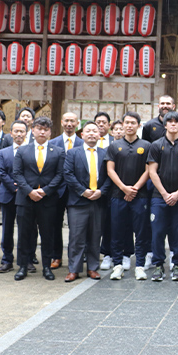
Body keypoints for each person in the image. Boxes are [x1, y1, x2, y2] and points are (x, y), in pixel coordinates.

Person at [12, 117, 65, 281]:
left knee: (47, 234)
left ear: (50, 132)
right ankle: (22, 266)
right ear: (32, 130)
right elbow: (17, 174)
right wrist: (29, 191)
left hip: (48, 200)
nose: (42, 132)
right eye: (39, 129)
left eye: (46, 129)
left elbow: (60, 175)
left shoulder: (58, 151)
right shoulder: (22, 150)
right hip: (25, 199)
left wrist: (45, 191)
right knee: (24, 234)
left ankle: (47, 267)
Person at [147, 111, 178, 282]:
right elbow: (152, 171)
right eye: (170, 122)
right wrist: (165, 193)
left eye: (176, 122)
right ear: (165, 125)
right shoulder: (156, 145)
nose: (173, 125)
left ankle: (177, 265)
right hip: (159, 198)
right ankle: (158, 265)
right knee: (158, 232)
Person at [106, 112, 152, 281]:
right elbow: (110, 169)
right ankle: (117, 265)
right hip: (118, 195)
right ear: (122, 125)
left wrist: (135, 188)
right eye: (127, 122)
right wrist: (124, 188)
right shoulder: (114, 145)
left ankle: (139, 265)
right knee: (117, 231)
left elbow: (149, 170)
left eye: (133, 123)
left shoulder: (147, 146)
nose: (130, 125)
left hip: (140, 196)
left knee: (141, 233)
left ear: (139, 125)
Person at [63, 121, 111, 282]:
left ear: (100, 135)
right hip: (78, 202)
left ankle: (92, 267)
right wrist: (82, 191)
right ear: (82, 135)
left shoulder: (106, 154)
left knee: (95, 236)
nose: (91, 133)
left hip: (98, 201)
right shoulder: (73, 153)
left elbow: (110, 176)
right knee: (76, 237)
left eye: (94, 131)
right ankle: (74, 269)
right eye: (88, 131)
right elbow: (68, 174)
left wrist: (101, 191)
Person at [49, 112, 83, 270]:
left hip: (77, 190)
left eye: (72, 121)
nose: (69, 123)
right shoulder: (53, 143)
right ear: (62, 122)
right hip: (56, 191)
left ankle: (75, 256)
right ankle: (56, 256)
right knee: (55, 225)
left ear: (78, 123)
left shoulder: (83, 143)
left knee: (76, 226)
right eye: (67, 121)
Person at [0, 121, 28, 274]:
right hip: (8, 195)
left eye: (22, 131)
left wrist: (23, 187)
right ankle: (7, 260)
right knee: (7, 230)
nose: (19, 134)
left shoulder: (30, 150)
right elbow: (1, 173)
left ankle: (25, 260)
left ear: (26, 134)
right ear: (11, 133)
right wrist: (15, 187)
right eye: (16, 131)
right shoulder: (4, 152)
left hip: (26, 196)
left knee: (25, 229)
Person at [99, 118, 130, 271]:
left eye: (121, 129)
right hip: (108, 192)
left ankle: (125, 254)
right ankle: (107, 254)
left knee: (126, 225)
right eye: (116, 129)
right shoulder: (107, 148)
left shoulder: (132, 147)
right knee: (109, 225)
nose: (119, 132)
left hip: (126, 192)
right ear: (111, 132)